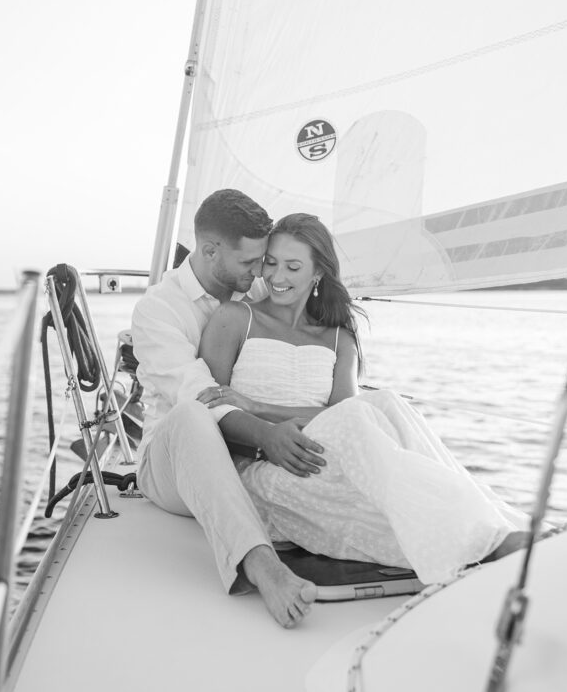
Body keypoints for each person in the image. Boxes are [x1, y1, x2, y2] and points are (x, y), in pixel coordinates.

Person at [197, 212, 531, 586]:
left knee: (385, 404)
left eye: (292, 266)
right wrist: (260, 429)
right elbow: (209, 414)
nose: (276, 277)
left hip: (330, 456)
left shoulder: (338, 337)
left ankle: (494, 530)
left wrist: (259, 405)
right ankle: (493, 539)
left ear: (318, 274)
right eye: (271, 263)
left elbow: (345, 419)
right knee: (373, 418)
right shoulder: (235, 318)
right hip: (266, 469)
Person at [131, 189, 320, 628]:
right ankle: (260, 566)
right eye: (250, 262)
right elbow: (200, 394)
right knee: (193, 413)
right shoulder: (158, 310)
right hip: (171, 464)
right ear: (210, 250)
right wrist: (268, 436)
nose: (260, 274)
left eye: (263, 262)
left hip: (246, 455)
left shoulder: (254, 289)